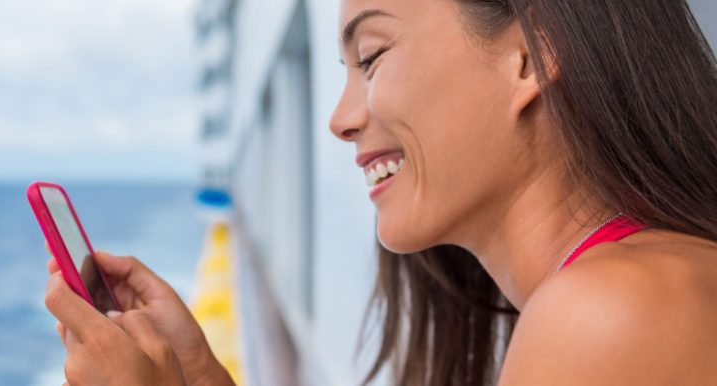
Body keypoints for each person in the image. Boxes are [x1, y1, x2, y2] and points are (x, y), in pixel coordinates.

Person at [44, 0, 717, 384]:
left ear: (529, 58)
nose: (339, 118)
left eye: (371, 57)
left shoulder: (609, 315)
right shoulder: (629, 293)